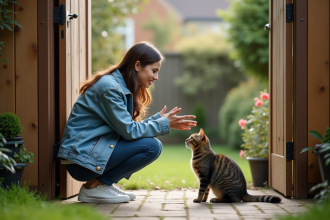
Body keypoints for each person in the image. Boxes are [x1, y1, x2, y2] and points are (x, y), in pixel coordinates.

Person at [57, 42, 197, 204]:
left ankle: (102, 185)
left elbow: (124, 127)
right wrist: (163, 124)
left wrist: (158, 120)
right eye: (154, 70)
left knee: (151, 145)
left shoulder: (118, 86)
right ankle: (95, 187)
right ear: (138, 65)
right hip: (81, 160)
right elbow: (129, 131)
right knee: (152, 146)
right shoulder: (110, 88)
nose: (156, 77)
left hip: (90, 152)